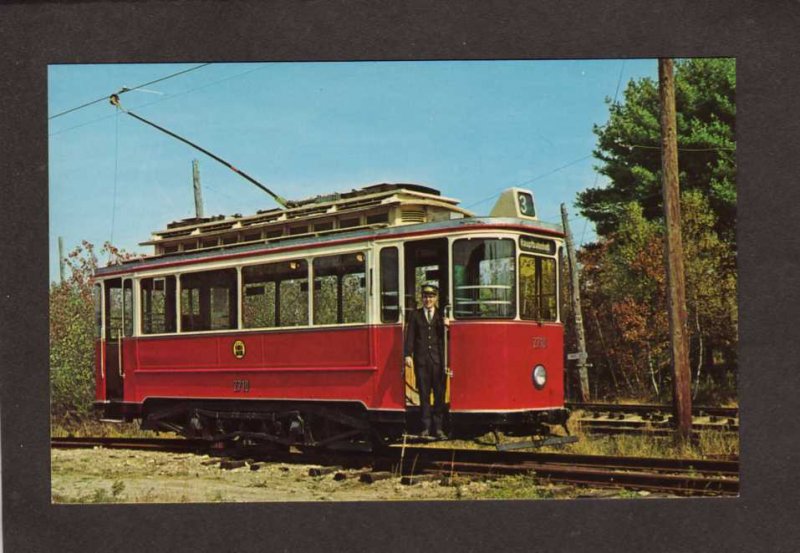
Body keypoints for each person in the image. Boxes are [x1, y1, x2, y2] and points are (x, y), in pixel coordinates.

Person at [403, 283, 450, 439]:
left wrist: (448, 327)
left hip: (438, 361)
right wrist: (407, 354)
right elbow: (410, 336)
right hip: (421, 362)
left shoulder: (441, 316)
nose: (427, 300)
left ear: (435, 298)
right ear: (422, 298)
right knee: (423, 395)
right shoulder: (415, 315)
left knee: (439, 395)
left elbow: (447, 339)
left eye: (430, 297)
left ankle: (438, 429)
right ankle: (425, 428)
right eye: (425, 297)